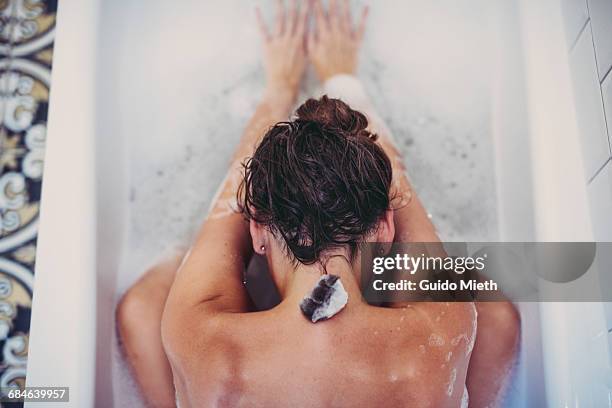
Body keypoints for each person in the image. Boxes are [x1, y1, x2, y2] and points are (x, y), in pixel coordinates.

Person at [116, 1, 520, 407]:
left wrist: (278, 91)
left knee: (142, 308)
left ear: (256, 227)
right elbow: (404, 195)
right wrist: (345, 81)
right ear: (384, 226)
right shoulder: (438, 334)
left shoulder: (206, 341)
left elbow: (227, 206)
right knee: (493, 311)